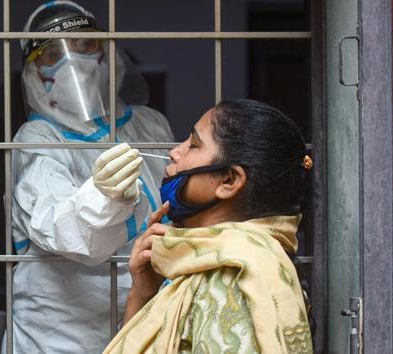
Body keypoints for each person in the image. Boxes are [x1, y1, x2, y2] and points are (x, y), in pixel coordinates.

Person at [8, 1, 174, 352]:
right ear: (34, 73)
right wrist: (105, 197)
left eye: (86, 46)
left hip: (144, 325)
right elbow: (69, 234)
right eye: (53, 54)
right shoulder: (38, 139)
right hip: (57, 337)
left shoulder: (149, 125)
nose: (74, 60)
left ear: (108, 52)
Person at [104, 99, 314, 353]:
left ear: (229, 180)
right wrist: (142, 293)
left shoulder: (234, 279)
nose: (175, 152)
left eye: (193, 145)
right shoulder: (230, 260)